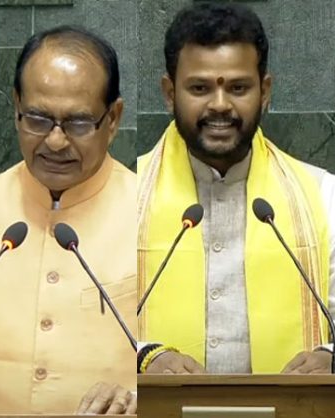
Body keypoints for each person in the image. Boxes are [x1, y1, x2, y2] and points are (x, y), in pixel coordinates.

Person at [137, 2, 335, 375]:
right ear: (169, 93)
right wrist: (144, 355)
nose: (220, 105)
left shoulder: (323, 196)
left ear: (265, 91)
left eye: (239, 88)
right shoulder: (125, 195)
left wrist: (330, 356)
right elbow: (91, 327)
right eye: (199, 88)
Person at [0, 26, 136, 414]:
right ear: (16, 106)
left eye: (78, 123)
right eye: (37, 119)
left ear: (114, 118)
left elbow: (185, 364)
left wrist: (141, 399)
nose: (55, 141)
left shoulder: (154, 217)